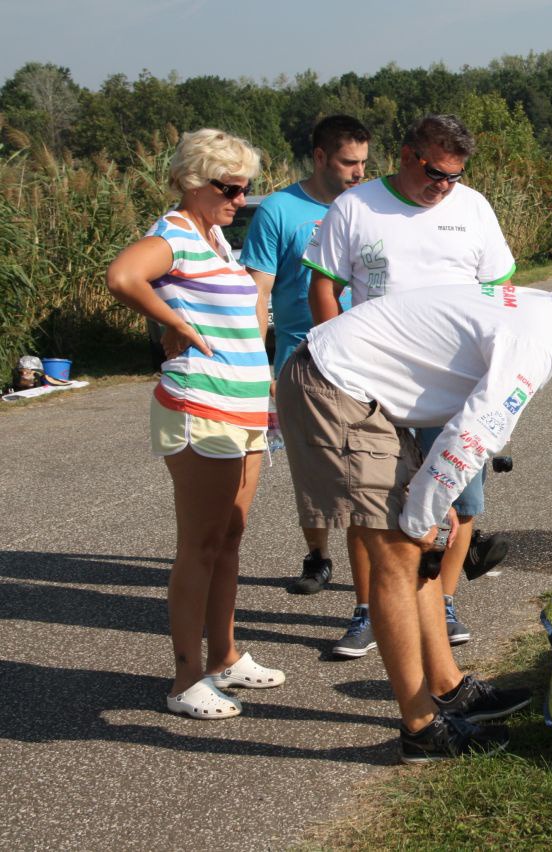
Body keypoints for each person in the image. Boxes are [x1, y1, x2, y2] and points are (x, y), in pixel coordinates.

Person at [275, 283, 552, 762]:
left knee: (421, 545)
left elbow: (462, 429)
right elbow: (472, 434)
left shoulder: (545, 316)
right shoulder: (535, 344)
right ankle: (421, 729)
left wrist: (438, 502)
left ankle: (448, 687)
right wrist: (424, 516)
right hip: (335, 384)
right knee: (401, 553)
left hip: (356, 385)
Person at [304, 113, 515, 647]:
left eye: (454, 176)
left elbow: (502, 293)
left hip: (453, 388)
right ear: (405, 156)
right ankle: (369, 609)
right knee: (368, 500)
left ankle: (440, 604)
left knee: (458, 502)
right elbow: (324, 288)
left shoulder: (474, 209)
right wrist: (339, 368)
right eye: (435, 173)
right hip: (372, 386)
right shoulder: (354, 208)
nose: (444, 186)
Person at [106, 129, 285, 720]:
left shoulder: (215, 239)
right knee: (200, 545)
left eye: (246, 189)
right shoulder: (175, 235)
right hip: (201, 407)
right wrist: (174, 325)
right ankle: (186, 679)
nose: (241, 199)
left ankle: (225, 656)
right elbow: (124, 277)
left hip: (243, 408)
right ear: (194, 182)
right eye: (230, 188)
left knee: (229, 537)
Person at [240, 115, 376, 658]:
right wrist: (257, 365)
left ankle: (371, 593)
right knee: (313, 473)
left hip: (365, 359)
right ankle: (318, 556)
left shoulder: (366, 207)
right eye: (348, 163)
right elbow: (261, 290)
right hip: (302, 360)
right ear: (319, 157)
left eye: (364, 162)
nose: (358, 173)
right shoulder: (278, 210)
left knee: (363, 476)